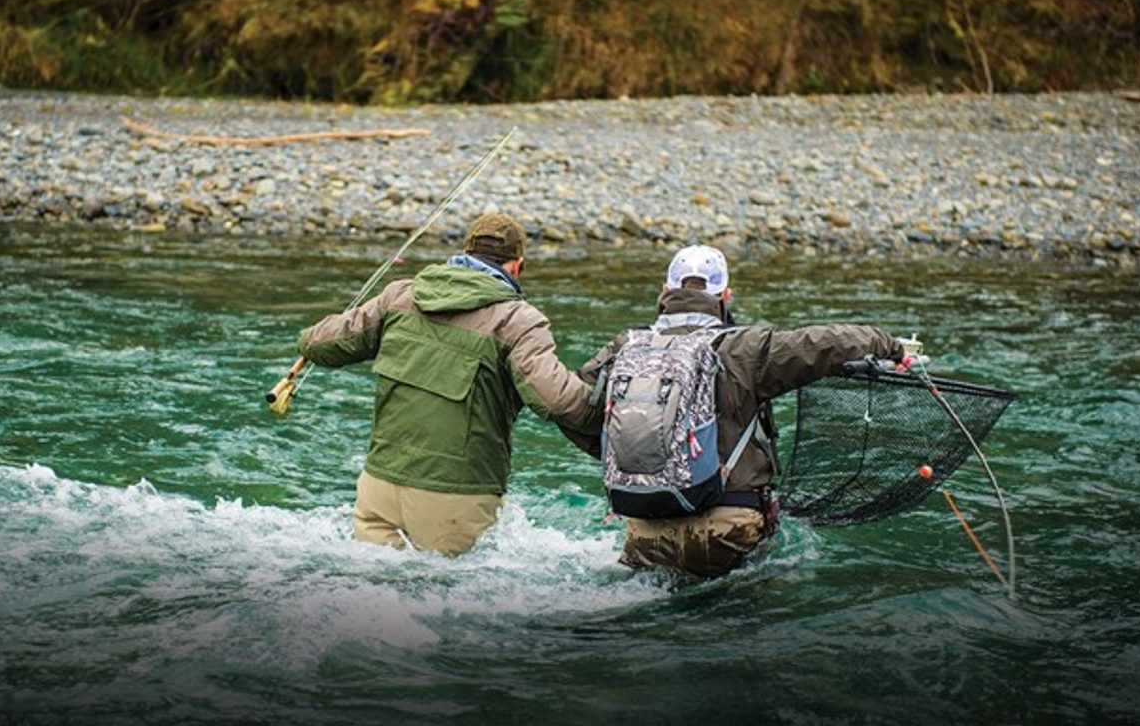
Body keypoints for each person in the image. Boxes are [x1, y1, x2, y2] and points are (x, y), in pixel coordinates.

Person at [565, 244, 906, 578]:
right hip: (728, 528)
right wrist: (889, 345)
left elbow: (571, 410)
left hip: (646, 528)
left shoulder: (625, 347)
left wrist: (629, 456)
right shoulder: (748, 348)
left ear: (665, 290)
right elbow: (822, 344)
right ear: (725, 296)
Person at [297, 213, 600, 556]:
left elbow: (317, 344)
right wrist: (616, 418)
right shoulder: (517, 321)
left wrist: (311, 337)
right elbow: (558, 401)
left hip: (378, 489)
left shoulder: (399, 296)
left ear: (464, 254)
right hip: (455, 499)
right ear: (516, 267)